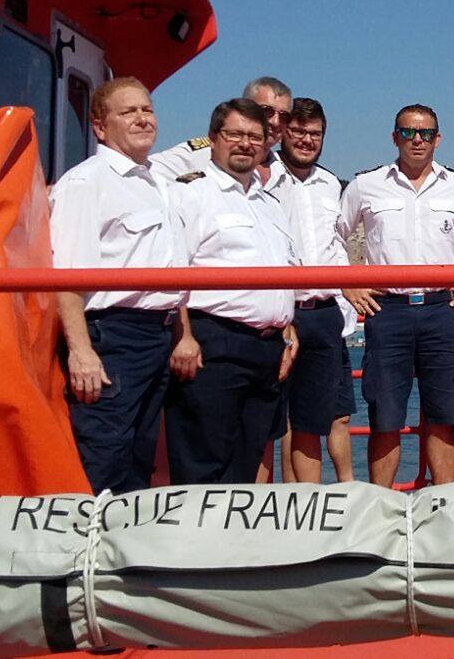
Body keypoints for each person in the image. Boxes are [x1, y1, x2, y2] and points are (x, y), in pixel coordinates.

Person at [48, 77, 189, 494]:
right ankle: (81, 552)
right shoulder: (86, 183)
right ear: (99, 126)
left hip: (156, 335)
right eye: (128, 112)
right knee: (103, 452)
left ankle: (119, 553)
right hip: (112, 335)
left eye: (147, 110)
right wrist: (81, 351)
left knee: (138, 457)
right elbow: (67, 277)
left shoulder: (159, 185)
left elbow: (171, 268)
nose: (142, 119)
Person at [165, 99, 300, 485]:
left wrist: (288, 331)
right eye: (235, 134)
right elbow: (174, 271)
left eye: (254, 137)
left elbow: (281, 271)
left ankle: (234, 545)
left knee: (247, 461)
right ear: (213, 139)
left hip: (267, 350)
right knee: (202, 462)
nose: (245, 143)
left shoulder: (269, 202)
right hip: (214, 343)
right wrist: (183, 336)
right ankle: (198, 544)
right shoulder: (190, 194)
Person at [339, 104, 454, 488]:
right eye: (409, 132)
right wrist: (350, 282)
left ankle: (443, 503)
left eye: (427, 133)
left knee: (445, 414)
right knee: (385, 416)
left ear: (439, 138)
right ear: (394, 136)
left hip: (441, 310)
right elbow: (336, 234)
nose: (418, 140)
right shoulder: (366, 185)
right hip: (389, 311)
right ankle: (380, 507)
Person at [265, 97, 357, 483]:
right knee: (276, 417)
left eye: (315, 133)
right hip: (281, 310)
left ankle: (313, 504)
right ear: (283, 131)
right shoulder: (262, 179)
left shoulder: (331, 185)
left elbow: (338, 241)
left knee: (314, 417)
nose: (306, 140)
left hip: (324, 312)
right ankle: (281, 506)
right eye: (299, 131)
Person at [150, 77, 292, 182]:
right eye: (267, 111)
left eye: (284, 116)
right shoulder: (202, 154)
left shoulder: (286, 176)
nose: (275, 122)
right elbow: (145, 171)